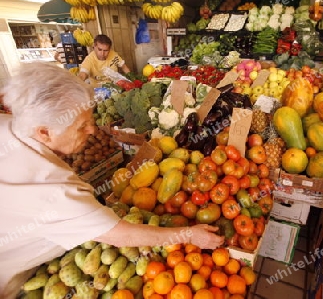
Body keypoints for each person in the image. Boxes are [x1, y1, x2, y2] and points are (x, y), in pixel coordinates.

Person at [0, 62, 224, 299]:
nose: (92, 131)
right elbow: (118, 234)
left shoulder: (8, 126)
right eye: (82, 126)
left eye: (90, 120)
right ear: (44, 132)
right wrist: (188, 235)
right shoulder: (53, 189)